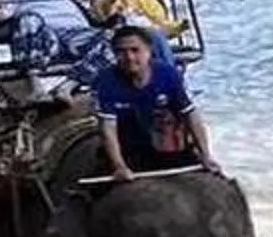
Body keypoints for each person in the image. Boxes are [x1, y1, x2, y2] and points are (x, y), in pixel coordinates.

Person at [91, 22, 218, 177]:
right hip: (128, 149)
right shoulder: (106, 82)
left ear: (149, 50)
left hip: (164, 146)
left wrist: (206, 154)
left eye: (135, 50)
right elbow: (107, 127)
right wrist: (119, 166)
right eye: (121, 52)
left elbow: (190, 114)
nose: (129, 57)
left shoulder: (168, 75)